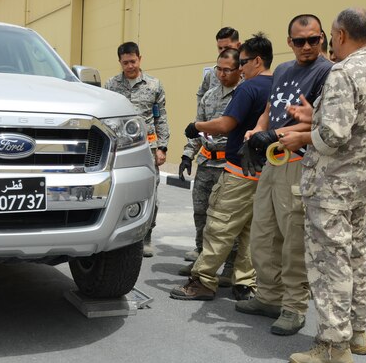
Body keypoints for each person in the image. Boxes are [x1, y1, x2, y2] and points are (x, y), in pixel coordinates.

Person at [280, 7, 366, 363]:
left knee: (330, 262)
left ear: (340, 35)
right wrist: (314, 118)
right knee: (355, 256)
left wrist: (299, 136)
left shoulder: (343, 72)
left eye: (328, 36)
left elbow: (333, 136)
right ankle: (357, 332)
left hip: (332, 185)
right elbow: (357, 124)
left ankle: (332, 345)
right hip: (360, 184)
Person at [234, 14, 332, 336]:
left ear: (322, 39)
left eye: (313, 40)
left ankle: (293, 306)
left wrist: (273, 134)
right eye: (300, 41)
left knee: (293, 239)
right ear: (289, 42)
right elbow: (269, 109)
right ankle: (268, 296)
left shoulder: (327, 72)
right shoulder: (283, 71)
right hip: (273, 160)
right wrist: (256, 133)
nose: (307, 46)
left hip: (300, 161)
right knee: (263, 233)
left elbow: (319, 121)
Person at [171, 34, 274, 301]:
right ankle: (244, 283)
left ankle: (203, 280)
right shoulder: (278, 86)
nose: (240, 68)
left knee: (219, 225)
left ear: (257, 61)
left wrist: (197, 126)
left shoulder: (248, 88)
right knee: (250, 229)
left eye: (243, 62)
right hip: (265, 169)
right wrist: (187, 154)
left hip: (239, 170)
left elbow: (226, 124)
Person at [178, 48, 242, 275]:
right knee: (201, 213)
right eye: (219, 69)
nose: (222, 74)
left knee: (227, 220)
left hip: (229, 166)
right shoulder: (209, 96)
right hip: (206, 164)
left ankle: (231, 269)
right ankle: (201, 259)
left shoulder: (243, 94)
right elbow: (198, 129)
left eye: (227, 70)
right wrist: (187, 155)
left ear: (238, 69)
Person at [105, 42, 170, 257]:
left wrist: (162, 147)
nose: (130, 66)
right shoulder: (111, 85)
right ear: (120, 62)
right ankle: (117, 233)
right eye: (125, 63)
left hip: (146, 148)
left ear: (140, 58)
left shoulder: (154, 85)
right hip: (117, 149)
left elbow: (160, 118)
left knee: (150, 192)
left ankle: (146, 235)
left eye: (133, 61)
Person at [194, 27, 241, 106]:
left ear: (238, 45)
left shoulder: (246, 71)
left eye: (227, 47)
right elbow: (201, 94)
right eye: (220, 48)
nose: (223, 51)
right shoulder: (212, 73)